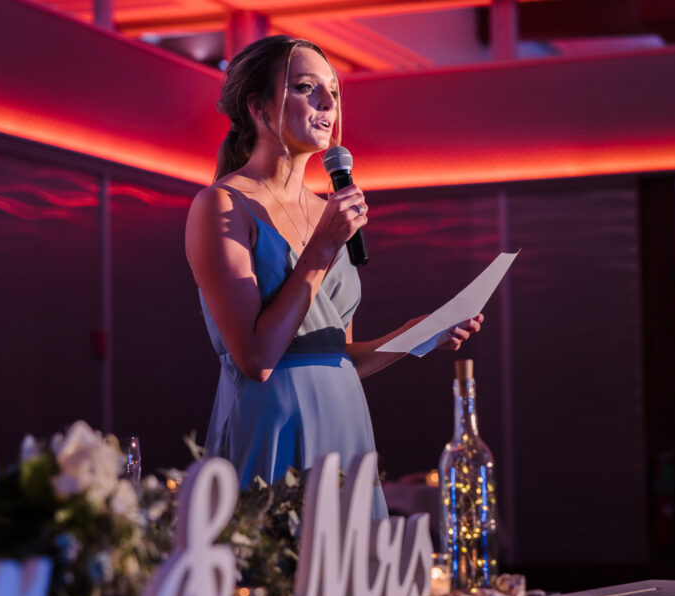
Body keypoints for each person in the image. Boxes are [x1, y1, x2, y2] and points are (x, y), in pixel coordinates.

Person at [185, 36, 483, 518]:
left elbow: (337, 355)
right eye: (307, 87)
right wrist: (323, 247)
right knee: (281, 581)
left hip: (345, 426)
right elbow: (257, 357)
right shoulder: (221, 206)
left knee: (354, 583)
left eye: (334, 92)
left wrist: (420, 333)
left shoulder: (327, 212)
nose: (328, 103)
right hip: (273, 425)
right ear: (258, 107)